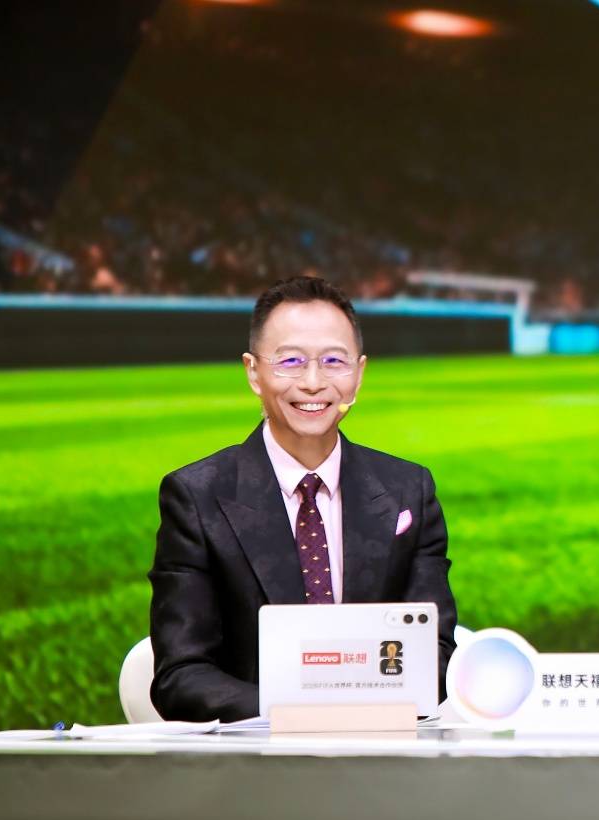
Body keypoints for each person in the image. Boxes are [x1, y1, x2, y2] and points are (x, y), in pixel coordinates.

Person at [148, 276, 457, 722]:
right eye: (290, 361)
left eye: (334, 361)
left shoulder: (409, 490)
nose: (313, 382)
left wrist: (359, 717)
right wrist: (308, 714)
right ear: (253, 372)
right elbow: (181, 675)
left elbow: (436, 651)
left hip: (382, 748)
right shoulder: (197, 496)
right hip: (259, 753)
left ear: (359, 374)